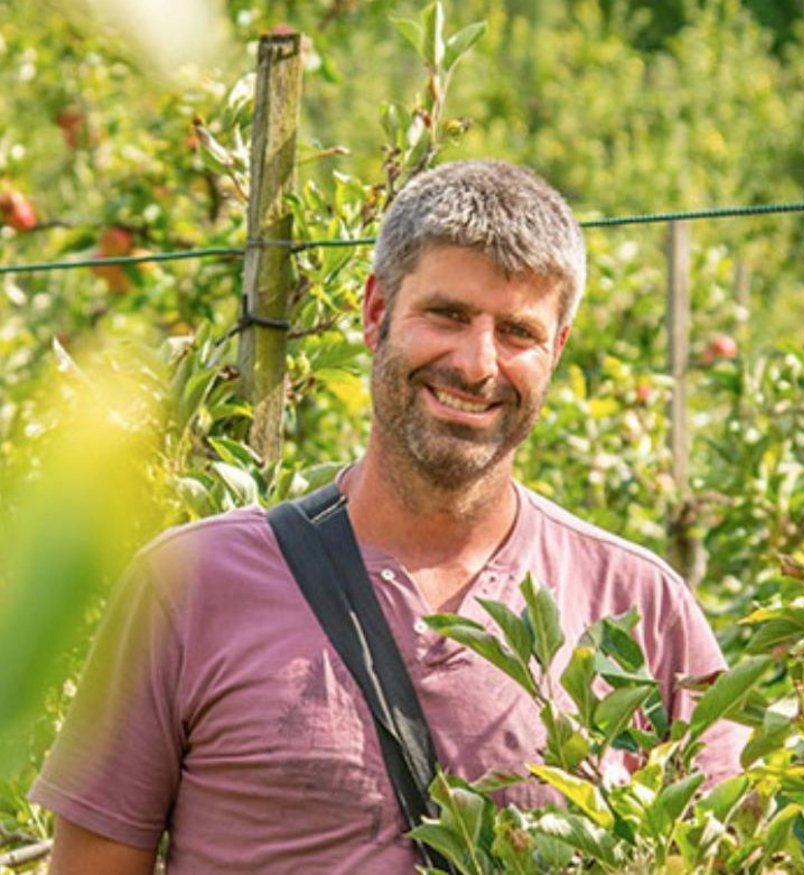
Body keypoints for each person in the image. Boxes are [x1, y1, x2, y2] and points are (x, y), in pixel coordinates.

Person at [30, 159, 746, 874]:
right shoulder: (191, 583)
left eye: (519, 332)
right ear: (376, 312)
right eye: (448, 315)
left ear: (556, 351)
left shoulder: (637, 608)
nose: (477, 363)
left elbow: (729, 850)